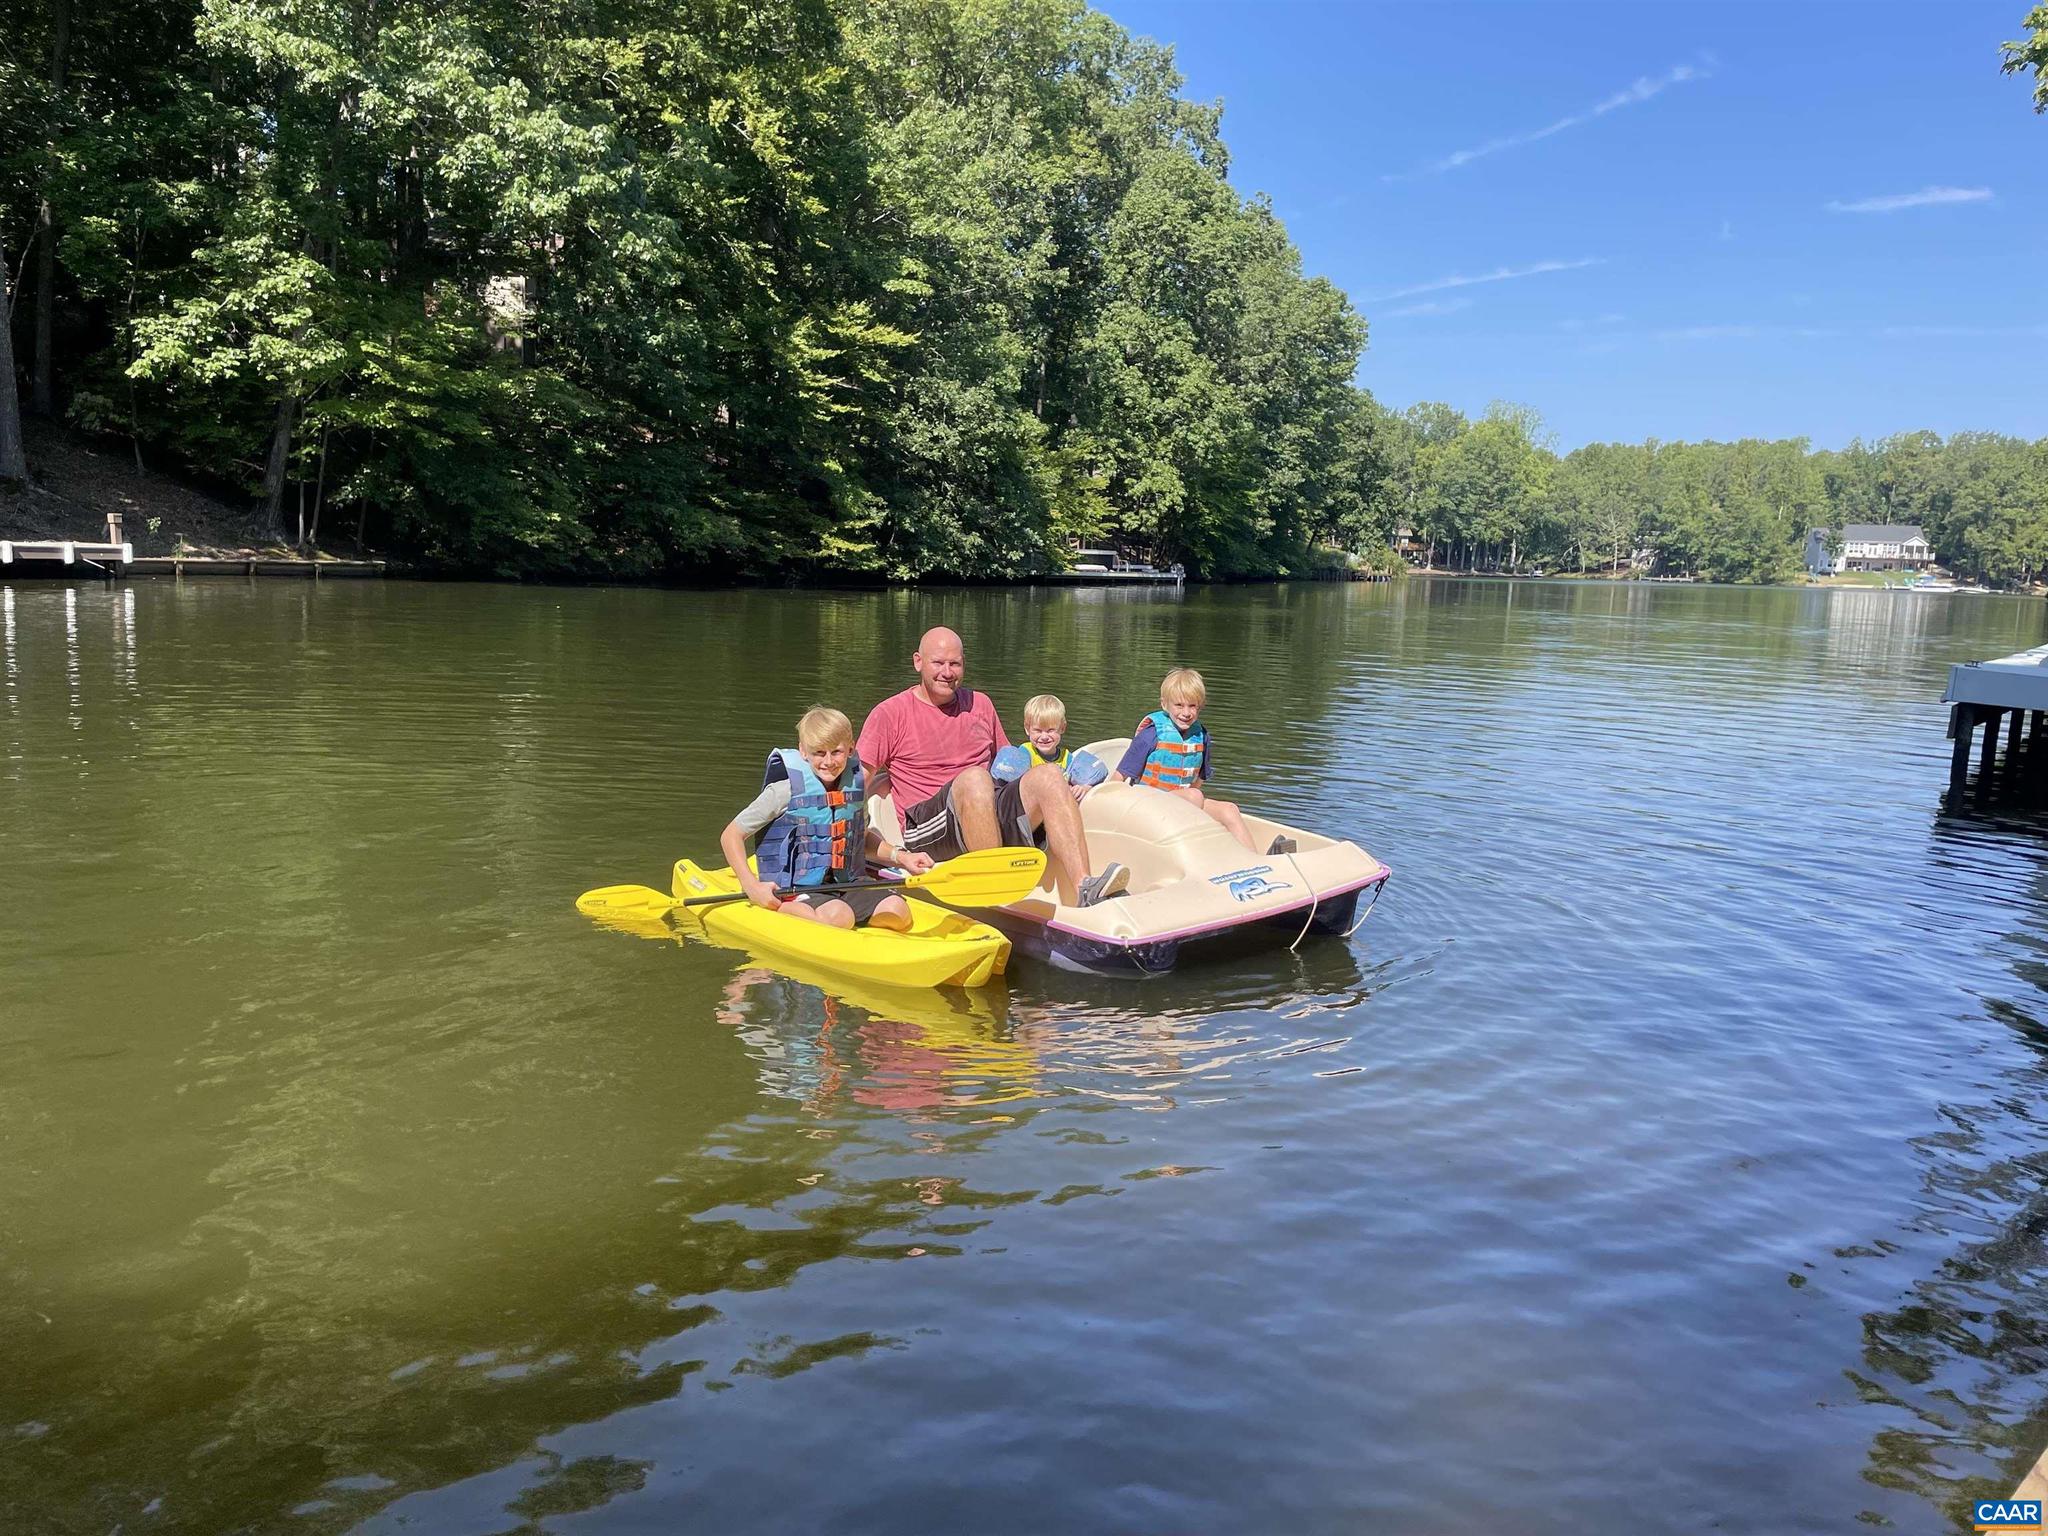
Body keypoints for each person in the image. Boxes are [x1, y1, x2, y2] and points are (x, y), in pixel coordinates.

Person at [858, 627, 1129, 907]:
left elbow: (1011, 766)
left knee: (1048, 775)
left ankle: (1085, 886)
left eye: (955, 664)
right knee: (976, 778)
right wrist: (841, 836)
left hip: (983, 807)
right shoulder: (890, 714)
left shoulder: (981, 704)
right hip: (928, 827)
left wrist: (1066, 787)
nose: (947, 672)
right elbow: (857, 781)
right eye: (938, 663)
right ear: (918, 662)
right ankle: (996, 891)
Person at [719, 706, 935, 930]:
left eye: (837, 752)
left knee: (897, 912)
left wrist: (901, 857)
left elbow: (861, 840)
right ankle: (783, 910)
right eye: (819, 753)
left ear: (851, 749)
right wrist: (751, 885)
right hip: (796, 888)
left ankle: (850, 929)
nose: (829, 761)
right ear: (803, 751)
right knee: (840, 917)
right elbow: (731, 835)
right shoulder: (784, 791)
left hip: (846, 884)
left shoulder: (855, 788)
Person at [1108, 666, 1294, 856]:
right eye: (1179, 705)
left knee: (1230, 810)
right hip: (1147, 806)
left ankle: (1255, 861)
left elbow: (1199, 779)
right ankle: (1199, 855)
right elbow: (1118, 777)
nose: (1186, 712)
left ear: (1200, 706)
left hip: (1182, 804)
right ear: (1165, 705)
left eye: (1192, 706)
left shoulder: (1201, 736)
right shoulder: (1151, 735)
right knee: (1194, 796)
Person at [990, 694, 1108, 802]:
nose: (1044, 737)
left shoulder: (1067, 759)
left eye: (1051, 730)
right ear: (1027, 729)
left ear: (1062, 728)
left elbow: (1086, 786)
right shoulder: (1024, 755)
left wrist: (1084, 789)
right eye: (1037, 730)